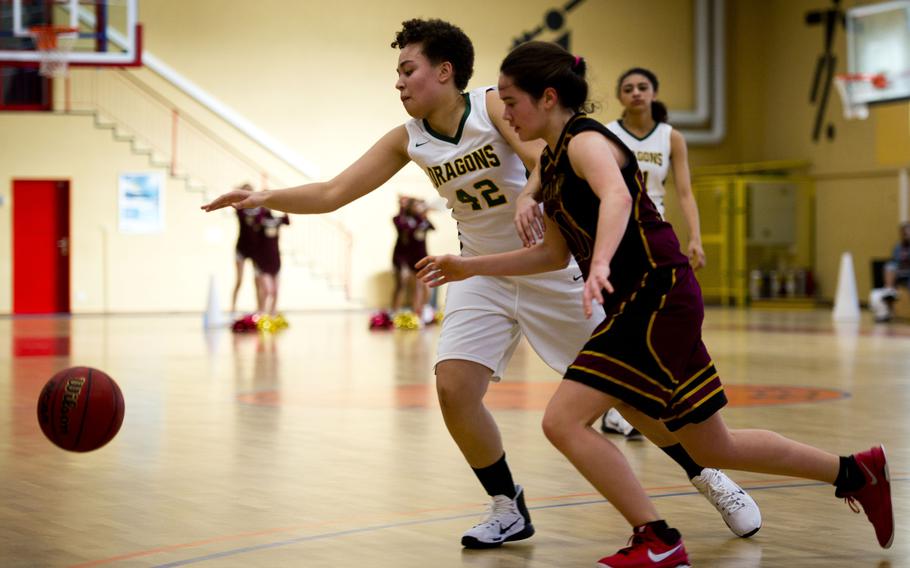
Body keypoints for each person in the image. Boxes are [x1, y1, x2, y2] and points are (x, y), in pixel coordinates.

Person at [201, 19, 758, 548]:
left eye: (407, 69)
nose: (398, 82)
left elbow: (549, 155)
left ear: (445, 71)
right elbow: (332, 192)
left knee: (631, 400)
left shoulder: (494, 104)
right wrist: (262, 197)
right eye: (396, 73)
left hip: (546, 267)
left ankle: (706, 475)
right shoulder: (407, 139)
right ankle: (506, 505)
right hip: (476, 272)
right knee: (453, 389)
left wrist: (528, 192)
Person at [416, 40, 892, 566]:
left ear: (548, 97)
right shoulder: (552, 161)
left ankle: (657, 539)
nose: (504, 114)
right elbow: (551, 254)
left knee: (563, 422)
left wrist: (598, 264)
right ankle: (855, 471)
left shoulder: (585, 140)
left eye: (511, 101)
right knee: (714, 446)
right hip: (651, 299)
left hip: (655, 294)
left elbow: (616, 197)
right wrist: (468, 267)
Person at [391, 196, 435, 324]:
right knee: (400, 284)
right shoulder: (399, 219)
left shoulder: (420, 219)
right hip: (403, 256)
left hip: (420, 255)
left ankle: (418, 312)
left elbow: (432, 228)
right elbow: (407, 230)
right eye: (416, 205)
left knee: (420, 285)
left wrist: (424, 216)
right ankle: (394, 313)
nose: (418, 208)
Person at [231, 183, 263, 315]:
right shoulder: (240, 209)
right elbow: (234, 199)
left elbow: (266, 197)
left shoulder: (260, 210)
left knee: (257, 280)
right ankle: (233, 307)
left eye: (250, 192)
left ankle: (260, 309)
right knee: (239, 280)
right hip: (241, 248)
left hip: (256, 250)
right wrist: (238, 191)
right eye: (245, 192)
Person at [253, 207, 290, 322]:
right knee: (267, 290)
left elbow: (287, 221)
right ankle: (262, 311)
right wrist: (261, 204)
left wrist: (284, 204)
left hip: (275, 260)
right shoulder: (260, 220)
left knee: (276, 291)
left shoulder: (276, 220)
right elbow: (256, 222)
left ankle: (272, 313)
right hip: (262, 261)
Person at [870, 221, 910, 322]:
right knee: (890, 266)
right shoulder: (898, 247)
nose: (906, 235)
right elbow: (895, 260)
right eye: (904, 233)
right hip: (900, 271)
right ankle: (889, 289)